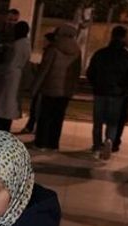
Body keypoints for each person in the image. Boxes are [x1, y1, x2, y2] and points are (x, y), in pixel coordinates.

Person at [85, 26, 128, 161]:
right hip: (117, 93)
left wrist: (96, 84)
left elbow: (90, 72)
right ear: (124, 37)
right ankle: (109, 139)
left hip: (100, 91)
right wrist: (123, 88)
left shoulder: (100, 53)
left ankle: (97, 146)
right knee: (113, 122)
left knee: (98, 121)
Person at [30, 23, 80, 151]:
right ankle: (53, 144)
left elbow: (44, 70)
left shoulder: (53, 48)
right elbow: (76, 72)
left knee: (45, 116)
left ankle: (41, 143)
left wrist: (34, 88)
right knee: (58, 118)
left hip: (50, 88)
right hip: (65, 90)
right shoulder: (77, 50)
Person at [0, 20, 28, 132]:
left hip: (8, 77)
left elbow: (8, 62)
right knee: (8, 106)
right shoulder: (25, 44)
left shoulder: (15, 46)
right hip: (16, 77)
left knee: (2, 106)